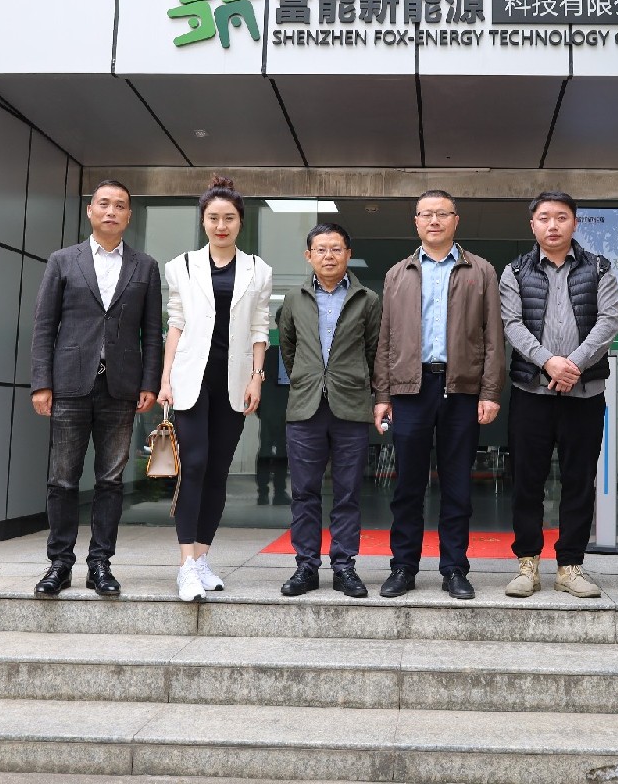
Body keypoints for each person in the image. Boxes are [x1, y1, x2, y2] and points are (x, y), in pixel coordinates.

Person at [30, 179, 163, 597]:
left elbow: (152, 332)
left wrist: (150, 382)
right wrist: (41, 383)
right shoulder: (62, 261)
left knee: (110, 480)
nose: (111, 211)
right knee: (62, 479)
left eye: (119, 206)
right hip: (69, 384)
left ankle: (100, 563)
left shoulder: (145, 266)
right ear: (90, 211)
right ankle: (59, 564)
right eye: (103, 204)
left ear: (129, 215)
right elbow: (44, 326)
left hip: (121, 387)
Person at [373, 189, 505, 600]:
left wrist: (490, 391)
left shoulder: (480, 270)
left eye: (442, 214)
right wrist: (383, 395)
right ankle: (403, 567)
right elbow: (386, 339)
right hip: (410, 388)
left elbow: (494, 337)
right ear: (416, 221)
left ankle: (454, 569)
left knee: (457, 485)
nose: (434, 221)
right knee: (407, 486)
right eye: (426, 214)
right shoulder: (397, 274)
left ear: (455, 220)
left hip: (461, 389)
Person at [499, 191, 618, 599]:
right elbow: (512, 324)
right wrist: (549, 362)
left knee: (579, 481)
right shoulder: (515, 271)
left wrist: (573, 366)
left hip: (584, 393)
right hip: (530, 391)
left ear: (575, 222)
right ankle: (527, 564)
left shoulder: (600, 268)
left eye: (562, 217)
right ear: (532, 224)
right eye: (545, 217)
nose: (553, 225)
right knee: (526, 480)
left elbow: (608, 322)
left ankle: (570, 566)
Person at [159, 176, 273, 602]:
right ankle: (185, 564)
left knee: (218, 470)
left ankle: (202, 557)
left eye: (228, 218)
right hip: (192, 378)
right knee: (194, 464)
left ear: (240, 221)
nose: (220, 225)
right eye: (213, 218)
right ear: (203, 221)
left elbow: (260, 327)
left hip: (234, 380)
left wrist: (257, 376)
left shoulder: (258, 270)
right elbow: (175, 324)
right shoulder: (182, 266)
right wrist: (165, 378)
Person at [276, 222, 382, 598]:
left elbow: (374, 351)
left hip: (350, 406)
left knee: (348, 492)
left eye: (336, 249)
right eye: (321, 249)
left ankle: (344, 567)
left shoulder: (368, 299)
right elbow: (288, 347)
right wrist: (308, 378)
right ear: (309, 256)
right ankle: (306, 566)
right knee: (304, 491)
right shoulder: (294, 298)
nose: (329, 256)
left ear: (348, 254)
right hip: (306, 407)